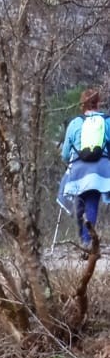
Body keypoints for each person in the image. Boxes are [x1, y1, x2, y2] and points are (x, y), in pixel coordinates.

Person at [60, 88, 110, 251]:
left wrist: (68, 161)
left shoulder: (75, 123)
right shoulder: (106, 121)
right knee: (92, 202)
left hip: (78, 169)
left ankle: (84, 239)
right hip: (100, 170)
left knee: (80, 202)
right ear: (98, 103)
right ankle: (88, 242)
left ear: (82, 104)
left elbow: (66, 153)